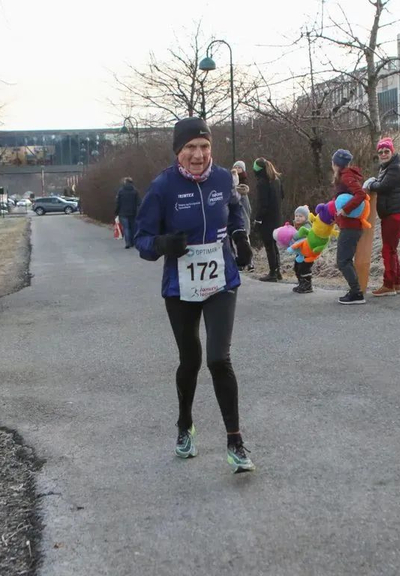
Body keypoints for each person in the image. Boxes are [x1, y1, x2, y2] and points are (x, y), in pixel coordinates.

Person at [134, 117, 255, 474]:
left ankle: (235, 441)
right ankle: (185, 425)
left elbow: (234, 211)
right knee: (190, 360)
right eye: (190, 147)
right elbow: (142, 239)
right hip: (180, 286)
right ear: (178, 151)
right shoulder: (163, 187)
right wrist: (162, 244)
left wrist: (241, 237)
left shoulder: (223, 178)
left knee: (218, 359)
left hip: (221, 280)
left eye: (204, 146)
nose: (198, 155)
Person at [363, 137, 400, 297]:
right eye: (380, 152)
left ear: (392, 151)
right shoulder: (387, 167)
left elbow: (383, 186)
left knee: (388, 249)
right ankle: (396, 283)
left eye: (386, 151)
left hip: (394, 213)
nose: (383, 154)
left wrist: (370, 184)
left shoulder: (395, 168)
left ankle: (388, 285)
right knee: (392, 249)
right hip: (390, 213)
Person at [331, 148, 367, 305]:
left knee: (343, 261)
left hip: (351, 226)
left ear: (336, 164)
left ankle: (356, 293)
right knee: (345, 260)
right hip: (348, 225)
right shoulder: (345, 176)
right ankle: (355, 290)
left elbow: (361, 195)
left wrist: (345, 209)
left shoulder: (346, 176)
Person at [253, 157, 283, 282]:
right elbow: (282, 196)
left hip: (267, 219)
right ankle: (277, 271)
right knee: (274, 245)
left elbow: (262, 204)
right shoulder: (276, 180)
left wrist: (257, 219)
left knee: (269, 246)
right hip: (277, 217)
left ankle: (272, 272)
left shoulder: (262, 183)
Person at [231, 161, 254, 272]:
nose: (237, 169)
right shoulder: (230, 185)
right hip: (235, 218)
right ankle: (239, 261)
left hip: (243, 217)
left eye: (239, 167)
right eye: (235, 167)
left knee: (245, 240)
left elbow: (247, 207)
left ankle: (250, 262)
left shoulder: (243, 187)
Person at [292, 205, 313, 294]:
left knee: (304, 268)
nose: (298, 218)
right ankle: (301, 283)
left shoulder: (307, 226)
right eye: (296, 216)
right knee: (297, 267)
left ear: (306, 218)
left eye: (300, 216)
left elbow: (301, 236)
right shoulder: (297, 226)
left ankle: (307, 285)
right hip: (300, 252)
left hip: (307, 252)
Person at [115, 177, 140, 249]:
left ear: (125, 182)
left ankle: (128, 242)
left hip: (122, 212)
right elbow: (139, 202)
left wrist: (116, 211)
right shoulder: (135, 191)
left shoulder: (121, 191)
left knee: (126, 228)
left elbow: (118, 202)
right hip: (133, 212)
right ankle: (133, 242)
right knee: (133, 227)